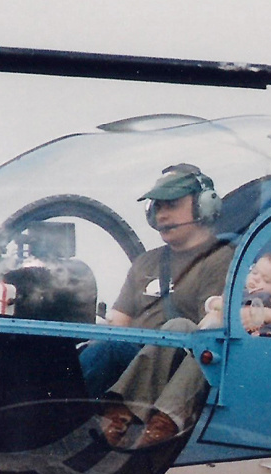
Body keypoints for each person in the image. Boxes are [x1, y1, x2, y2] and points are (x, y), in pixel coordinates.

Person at [95, 164, 234, 448]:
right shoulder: (146, 262)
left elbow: (208, 329)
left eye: (171, 205)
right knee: (91, 350)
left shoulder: (222, 259)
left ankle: (121, 416)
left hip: (178, 363)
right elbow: (118, 324)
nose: (162, 215)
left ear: (203, 206)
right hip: (132, 357)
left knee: (177, 328)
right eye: (156, 207)